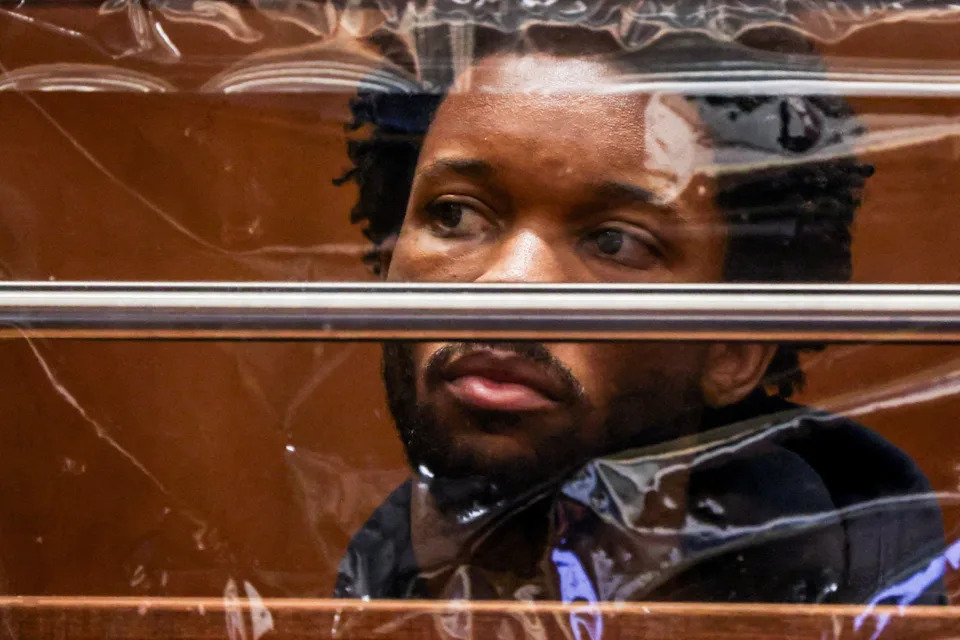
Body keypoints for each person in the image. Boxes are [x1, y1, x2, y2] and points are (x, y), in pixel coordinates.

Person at [332, 27, 946, 604]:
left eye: (615, 242)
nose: (509, 286)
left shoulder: (859, 609)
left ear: (735, 349)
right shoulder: (355, 593)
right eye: (455, 215)